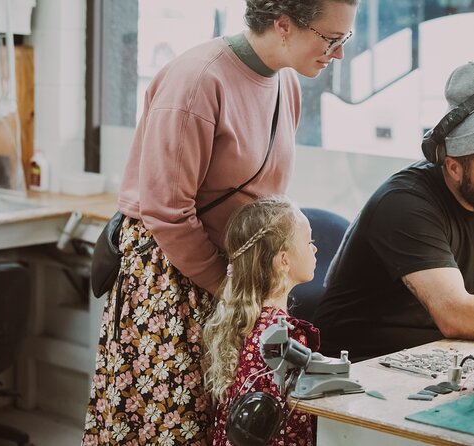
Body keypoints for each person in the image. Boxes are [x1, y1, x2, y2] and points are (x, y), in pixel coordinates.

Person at [83, 1, 358, 444]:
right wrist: (233, 292)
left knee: (223, 426)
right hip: (171, 280)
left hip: (230, 281)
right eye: (331, 39)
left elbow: (265, 196)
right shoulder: (197, 81)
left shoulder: (287, 83)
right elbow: (167, 212)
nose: (339, 54)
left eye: (345, 40)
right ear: (283, 24)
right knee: (169, 426)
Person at [314, 61, 474, 362]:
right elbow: (455, 312)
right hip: (364, 370)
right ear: (454, 167)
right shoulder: (404, 204)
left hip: (444, 359)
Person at [203, 197, 319, 446]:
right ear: (284, 260)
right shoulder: (284, 336)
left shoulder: (243, 320)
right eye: (309, 241)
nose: (315, 248)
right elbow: (293, 423)